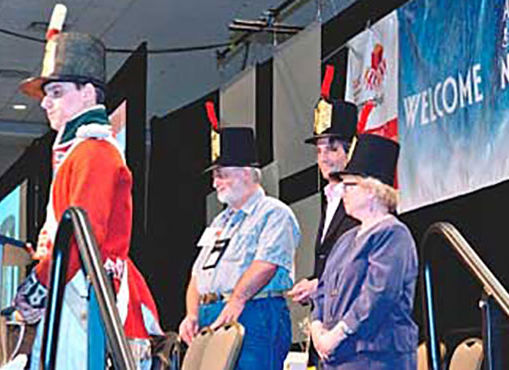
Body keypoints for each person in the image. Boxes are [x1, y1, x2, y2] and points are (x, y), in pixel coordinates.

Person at [18, 32, 161, 368]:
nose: (45, 102)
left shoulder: (95, 153)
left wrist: (38, 284)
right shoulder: (81, 152)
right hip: (75, 291)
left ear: (87, 93)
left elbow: (84, 239)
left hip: (88, 299)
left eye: (56, 92)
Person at [178, 126, 301, 370]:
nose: (215, 183)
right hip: (211, 316)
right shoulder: (219, 221)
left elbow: (266, 264)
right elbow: (197, 273)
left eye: (222, 174)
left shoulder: (274, 213)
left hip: (253, 312)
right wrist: (192, 314)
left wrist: (237, 300)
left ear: (246, 173)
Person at [311, 133, 418, 369]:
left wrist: (336, 335)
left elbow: (378, 295)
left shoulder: (392, 234)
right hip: (339, 358)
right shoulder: (346, 238)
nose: (343, 191)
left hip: (376, 357)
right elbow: (322, 289)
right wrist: (317, 328)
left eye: (350, 185)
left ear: (372, 190)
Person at [288, 98, 359, 304]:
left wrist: (318, 286)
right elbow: (330, 263)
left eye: (332, 149)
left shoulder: (364, 200)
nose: (323, 158)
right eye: (319, 150)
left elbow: (360, 262)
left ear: (351, 150)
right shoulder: (331, 198)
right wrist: (312, 285)